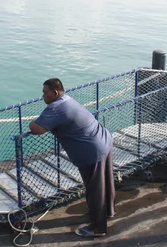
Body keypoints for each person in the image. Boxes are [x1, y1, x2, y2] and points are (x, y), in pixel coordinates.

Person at [29, 78, 115, 238]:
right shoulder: (67, 99)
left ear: (55, 93)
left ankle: (98, 228)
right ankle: (108, 211)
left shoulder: (55, 108)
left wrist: (31, 123)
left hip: (91, 151)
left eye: (45, 93)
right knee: (107, 182)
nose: (43, 96)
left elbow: (37, 129)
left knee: (94, 190)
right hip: (104, 139)